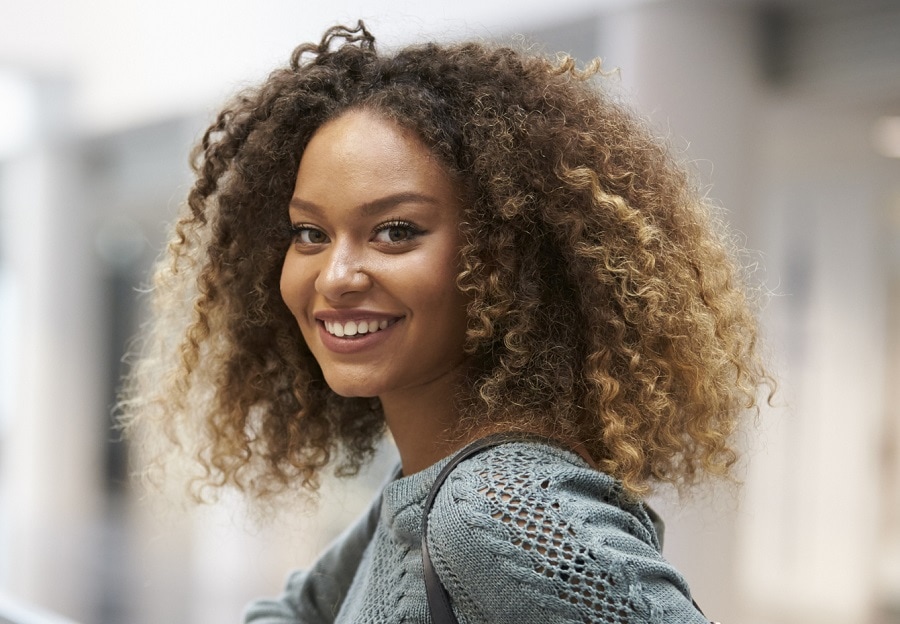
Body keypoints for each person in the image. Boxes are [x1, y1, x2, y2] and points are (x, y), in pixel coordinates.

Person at [121, 21, 771, 623]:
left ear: (503, 254)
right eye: (310, 232)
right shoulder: (425, 485)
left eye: (396, 231)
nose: (336, 275)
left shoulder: (493, 511)